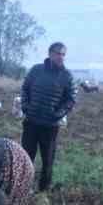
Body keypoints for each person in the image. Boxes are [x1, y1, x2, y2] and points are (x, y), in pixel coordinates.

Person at [20, 41, 77, 192]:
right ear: (50, 54)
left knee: (48, 161)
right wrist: (26, 107)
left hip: (50, 126)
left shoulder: (67, 76)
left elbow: (71, 99)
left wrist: (57, 114)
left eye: (63, 54)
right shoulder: (36, 70)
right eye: (58, 53)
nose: (61, 57)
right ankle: (23, 187)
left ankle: (42, 191)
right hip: (31, 122)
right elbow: (25, 89)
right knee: (26, 157)